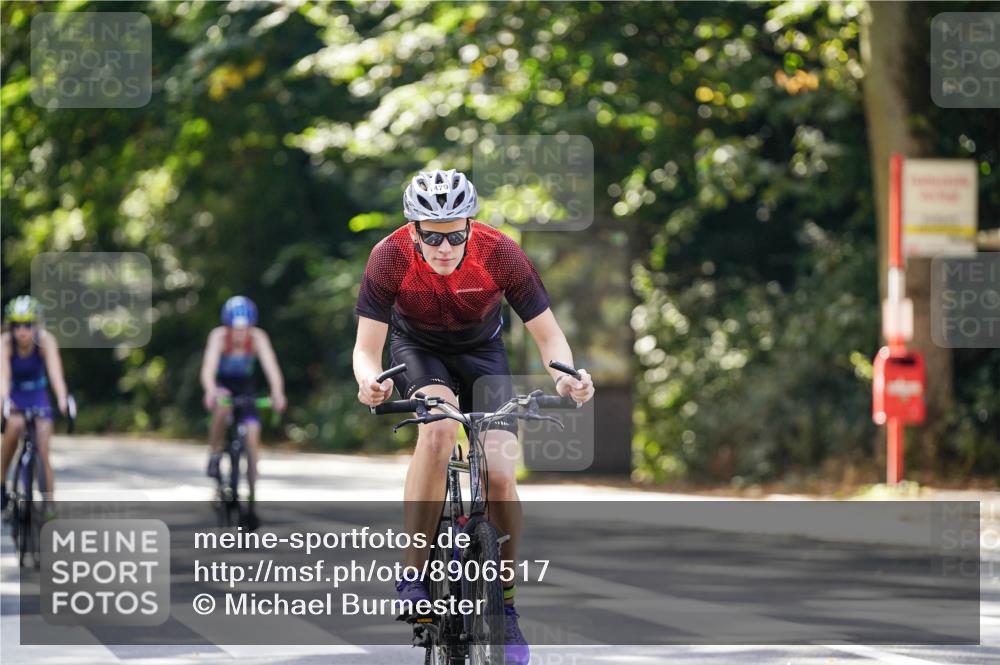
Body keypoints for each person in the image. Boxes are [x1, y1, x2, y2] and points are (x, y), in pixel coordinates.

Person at [353, 168, 595, 665]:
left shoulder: (500, 252)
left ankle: (504, 609)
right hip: (417, 349)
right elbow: (365, 348)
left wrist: (566, 378)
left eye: (457, 233)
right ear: (414, 231)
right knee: (440, 430)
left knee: (502, 477)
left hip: (483, 354)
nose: (446, 247)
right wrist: (370, 381)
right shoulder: (389, 257)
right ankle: (414, 575)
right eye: (433, 236)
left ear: (471, 225)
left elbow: (548, 336)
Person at [199, 296, 286, 512]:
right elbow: (208, 368)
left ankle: (252, 496)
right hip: (223, 386)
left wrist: (278, 393)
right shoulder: (218, 337)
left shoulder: (258, 338)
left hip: (246, 388)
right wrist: (210, 391)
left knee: (253, 433)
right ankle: (214, 453)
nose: (239, 334)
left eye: (244, 329)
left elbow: (271, 367)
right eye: (235, 330)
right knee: (223, 406)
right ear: (227, 327)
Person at [0, 296, 70, 514]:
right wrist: (5, 400)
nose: (22, 331)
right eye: (17, 326)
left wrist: (62, 399)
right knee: (14, 428)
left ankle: (49, 505)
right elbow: (3, 376)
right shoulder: (5, 343)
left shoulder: (46, 341)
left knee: (43, 447)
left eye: (28, 325)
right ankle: (1, 482)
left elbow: (56, 374)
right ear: (10, 327)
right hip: (14, 395)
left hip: (38, 395)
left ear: (36, 325)